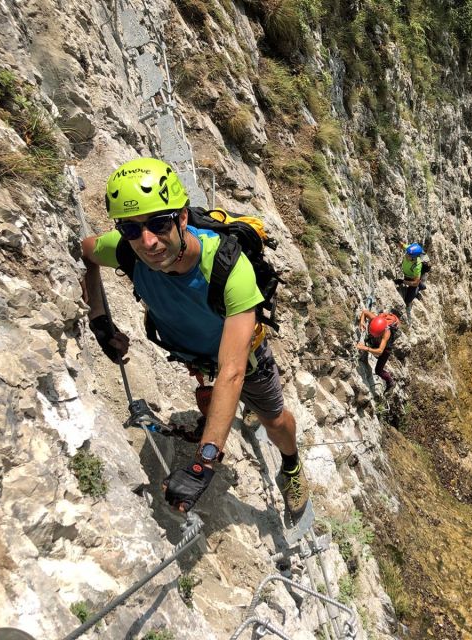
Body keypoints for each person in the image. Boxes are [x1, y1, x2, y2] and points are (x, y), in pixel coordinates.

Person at [80, 158, 309, 519]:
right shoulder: (125, 249)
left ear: (182, 218)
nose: (148, 241)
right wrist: (99, 320)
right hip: (194, 354)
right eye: (131, 228)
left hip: (243, 359)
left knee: (275, 420)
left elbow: (232, 371)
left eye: (159, 223)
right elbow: (86, 251)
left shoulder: (229, 268)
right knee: (225, 398)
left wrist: (204, 462)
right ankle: (241, 408)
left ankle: (292, 466)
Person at [356, 310, 400, 391]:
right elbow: (365, 312)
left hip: (386, 348)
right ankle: (373, 342)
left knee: (378, 370)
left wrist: (366, 348)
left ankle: (390, 382)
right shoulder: (375, 319)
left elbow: (380, 351)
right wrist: (361, 322)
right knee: (372, 342)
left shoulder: (387, 333)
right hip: (377, 340)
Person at [396, 242, 430, 309]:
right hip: (409, 275)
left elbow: (415, 283)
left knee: (407, 300)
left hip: (414, 279)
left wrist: (403, 281)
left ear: (414, 258)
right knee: (413, 281)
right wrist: (396, 241)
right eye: (407, 253)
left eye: (409, 255)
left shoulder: (417, 266)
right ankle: (420, 285)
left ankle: (418, 289)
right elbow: (402, 245)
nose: (406, 255)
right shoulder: (410, 251)